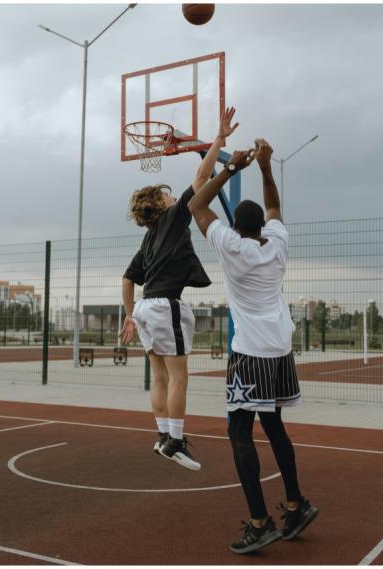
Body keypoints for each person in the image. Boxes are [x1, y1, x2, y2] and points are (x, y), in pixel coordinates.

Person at [188, 138, 319, 553]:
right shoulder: (277, 244)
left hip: (249, 355)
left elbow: (196, 205)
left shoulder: (230, 246)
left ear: (237, 226)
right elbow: (276, 207)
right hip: (280, 351)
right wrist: (264, 167)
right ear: (261, 226)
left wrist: (229, 170)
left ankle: (261, 521)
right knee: (275, 426)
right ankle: (296, 504)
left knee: (238, 431)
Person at [119, 108, 240, 471]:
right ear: (160, 206)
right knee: (179, 377)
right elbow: (203, 175)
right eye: (167, 196)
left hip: (144, 308)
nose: (173, 198)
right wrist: (218, 140)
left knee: (158, 375)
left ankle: (162, 436)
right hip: (163, 306)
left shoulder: (148, 240)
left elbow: (127, 278)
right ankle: (175, 440)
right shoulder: (171, 219)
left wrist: (128, 315)